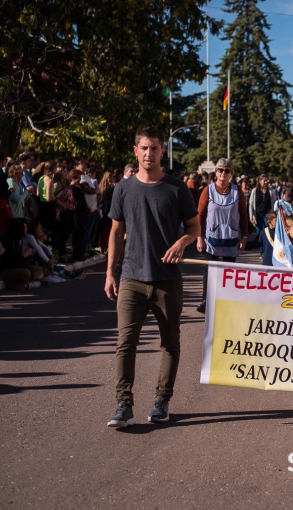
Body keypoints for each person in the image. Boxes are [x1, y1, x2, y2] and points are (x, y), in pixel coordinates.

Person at [105, 127, 200, 429]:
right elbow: (116, 232)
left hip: (167, 280)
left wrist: (181, 243)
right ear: (136, 151)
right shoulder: (123, 189)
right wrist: (110, 272)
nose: (149, 153)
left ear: (162, 151)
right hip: (132, 277)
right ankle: (123, 404)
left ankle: (162, 400)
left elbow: (194, 227)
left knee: (170, 343)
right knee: (125, 343)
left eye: (155, 148)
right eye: (144, 148)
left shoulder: (176, 188)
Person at [195, 158, 248, 313]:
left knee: (229, 271)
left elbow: (243, 215)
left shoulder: (237, 192)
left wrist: (244, 236)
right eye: (220, 170)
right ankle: (206, 300)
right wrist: (199, 237)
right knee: (210, 270)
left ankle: (227, 300)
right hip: (211, 238)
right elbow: (199, 215)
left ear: (231, 173)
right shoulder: (208, 190)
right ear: (216, 172)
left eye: (227, 170)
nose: (223, 173)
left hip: (231, 238)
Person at [249, 175, 277, 255]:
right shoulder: (255, 190)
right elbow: (251, 204)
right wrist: (251, 215)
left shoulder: (271, 190)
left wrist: (274, 213)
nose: (266, 182)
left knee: (268, 231)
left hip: (268, 215)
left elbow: (274, 202)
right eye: (264, 180)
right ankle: (261, 250)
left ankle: (266, 250)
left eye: (266, 180)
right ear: (260, 181)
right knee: (259, 232)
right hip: (258, 214)